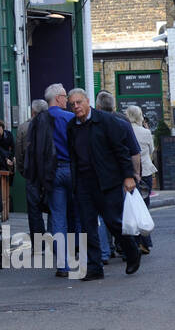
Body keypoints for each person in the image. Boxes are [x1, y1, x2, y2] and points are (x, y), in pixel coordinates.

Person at [66, 88, 141, 280]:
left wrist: (128, 176)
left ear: (87, 101)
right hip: (83, 182)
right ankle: (94, 267)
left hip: (107, 181)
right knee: (87, 226)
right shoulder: (71, 127)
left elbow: (121, 150)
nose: (76, 107)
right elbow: (73, 156)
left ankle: (132, 251)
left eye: (79, 102)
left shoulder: (106, 121)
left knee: (113, 222)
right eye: (72, 104)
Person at [41, 83, 76, 277]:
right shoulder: (70, 118)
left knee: (58, 219)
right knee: (78, 215)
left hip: (51, 173)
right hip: (72, 169)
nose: (67, 100)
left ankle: (63, 265)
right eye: (65, 96)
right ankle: (82, 257)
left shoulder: (40, 121)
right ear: (58, 98)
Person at [125, 105, 159, 253]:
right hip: (145, 172)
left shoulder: (125, 130)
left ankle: (135, 242)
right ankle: (145, 243)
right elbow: (152, 150)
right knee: (144, 208)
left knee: (131, 209)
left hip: (129, 173)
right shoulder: (146, 132)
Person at [18, 100, 50, 252]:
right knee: (54, 206)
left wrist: (22, 170)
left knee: (34, 210)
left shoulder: (24, 127)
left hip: (31, 173)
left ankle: (39, 245)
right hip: (50, 172)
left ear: (32, 112)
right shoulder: (53, 124)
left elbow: (19, 152)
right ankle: (56, 240)